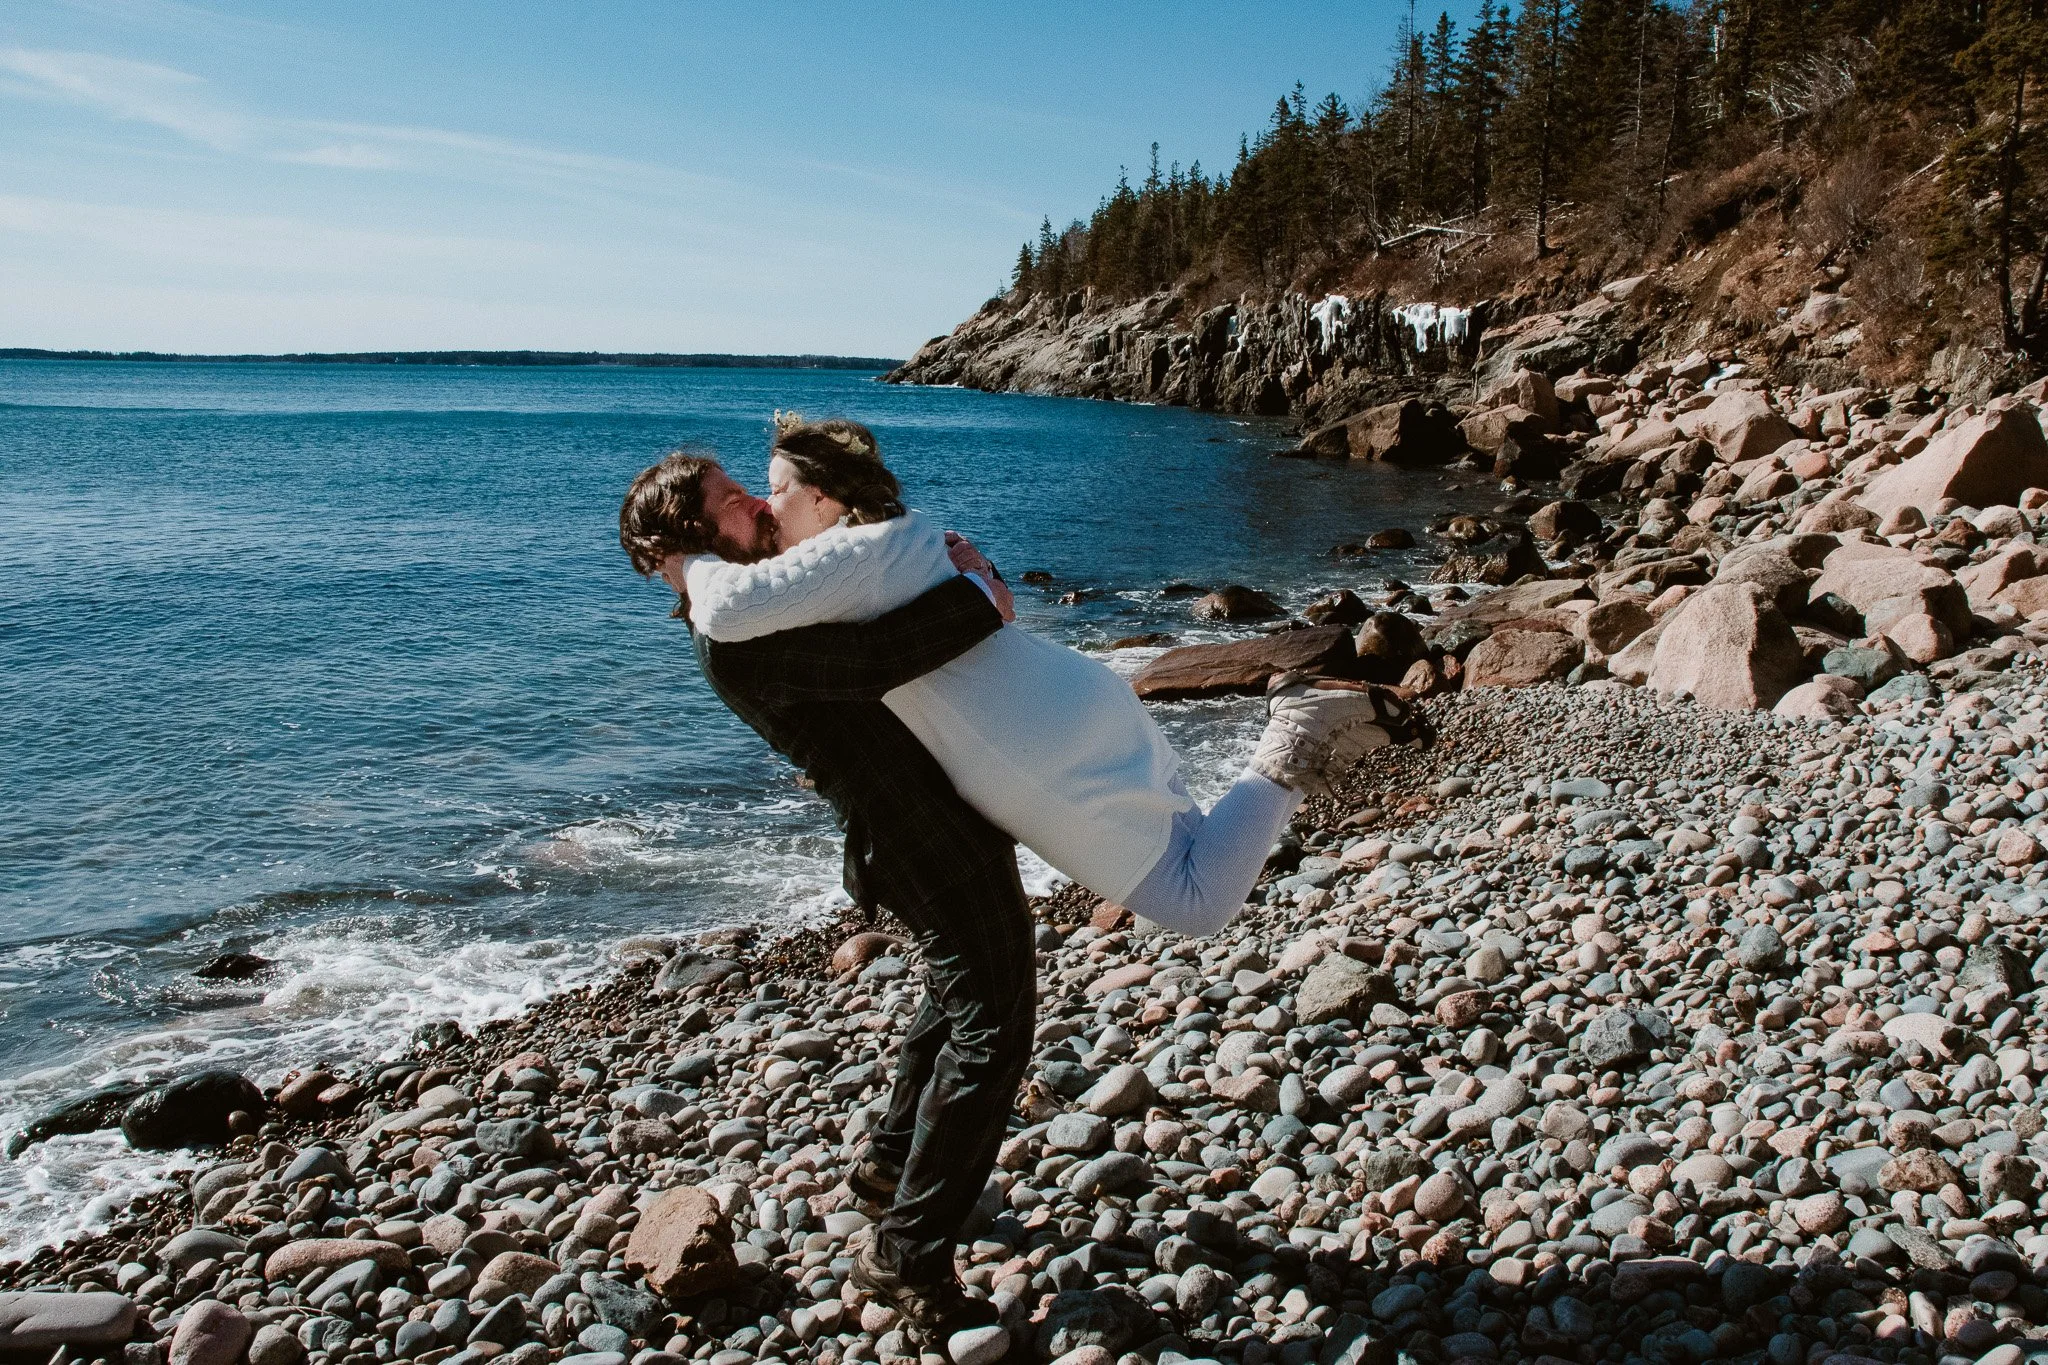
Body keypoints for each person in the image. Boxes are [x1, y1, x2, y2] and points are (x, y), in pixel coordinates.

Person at [678, 412, 1426, 935]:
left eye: (773, 489)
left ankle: (1292, 736)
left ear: (822, 496)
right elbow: (979, 598)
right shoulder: (892, 541)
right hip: (1070, 699)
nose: (765, 506)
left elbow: (728, 611)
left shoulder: (839, 557)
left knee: (1195, 900)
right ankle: (1299, 738)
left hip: (1032, 748)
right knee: (1190, 843)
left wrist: (681, 561)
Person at [619, 451, 1025, 1341]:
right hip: (919, 837)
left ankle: (887, 1166)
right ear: (695, 537)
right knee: (995, 1027)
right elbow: (881, 655)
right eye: (732, 502)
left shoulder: (754, 605)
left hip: (915, 826)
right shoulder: (735, 631)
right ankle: (908, 1254)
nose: (758, 504)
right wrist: (976, 586)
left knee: (957, 996)